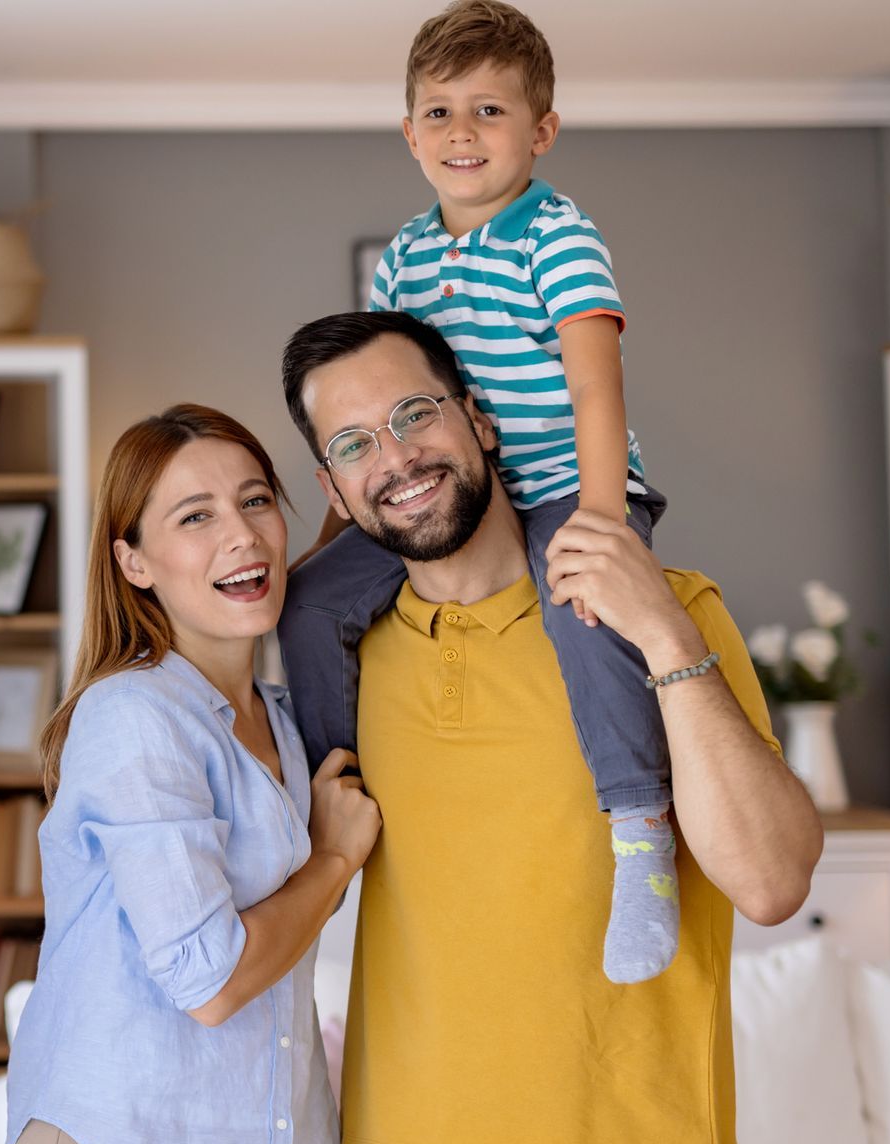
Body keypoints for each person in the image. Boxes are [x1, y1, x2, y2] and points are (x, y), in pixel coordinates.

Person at [276, 310, 822, 1144]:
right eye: (355, 443)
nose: (396, 457)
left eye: (416, 414)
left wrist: (662, 635)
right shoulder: (347, 665)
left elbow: (775, 882)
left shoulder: (661, 613)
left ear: (481, 419)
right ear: (331, 487)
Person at [305, 0, 678, 983]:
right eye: (438, 112)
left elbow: (597, 383)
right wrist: (344, 520)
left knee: (584, 608)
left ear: (541, 132)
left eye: (489, 111)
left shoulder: (555, 236)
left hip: (562, 482)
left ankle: (639, 832)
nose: (461, 133)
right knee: (311, 601)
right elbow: (383, 401)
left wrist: (601, 520)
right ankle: (331, 792)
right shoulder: (405, 259)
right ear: (408, 134)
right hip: (446, 499)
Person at [0, 404, 380, 1144]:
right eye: (194, 516)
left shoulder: (287, 726)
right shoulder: (135, 715)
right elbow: (209, 980)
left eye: (256, 502)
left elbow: (342, 569)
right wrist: (330, 860)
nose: (240, 537)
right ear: (133, 560)